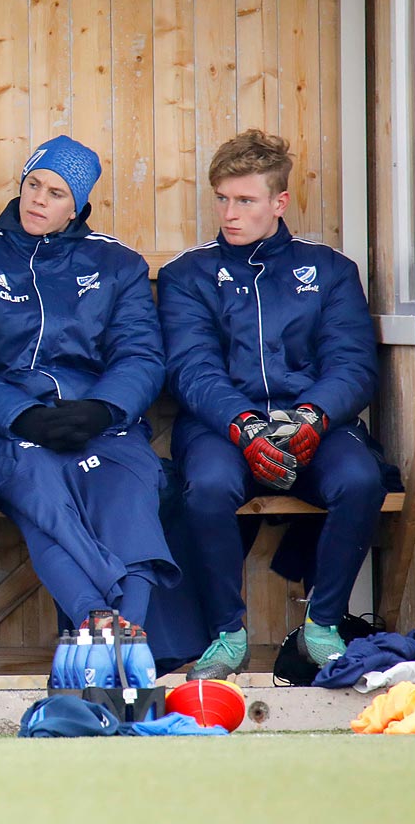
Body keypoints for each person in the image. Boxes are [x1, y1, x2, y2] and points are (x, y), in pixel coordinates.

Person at [161, 130, 384, 677]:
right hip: (220, 428)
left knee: (362, 480)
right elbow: (191, 369)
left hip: (315, 425)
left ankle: (323, 626)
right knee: (207, 488)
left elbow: (353, 364)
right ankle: (225, 635)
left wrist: (313, 416)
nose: (230, 213)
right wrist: (242, 425)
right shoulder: (186, 274)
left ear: (279, 202)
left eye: (245, 200)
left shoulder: (330, 269)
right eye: (222, 199)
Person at [0, 136, 174, 643]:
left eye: (56, 193)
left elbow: (140, 356)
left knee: (130, 491)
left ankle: (124, 627)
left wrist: (102, 410)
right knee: (41, 492)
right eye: (33, 185)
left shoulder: (117, 265)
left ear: (77, 208)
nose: (38, 200)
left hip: (100, 421)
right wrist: (22, 415)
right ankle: (99, 614)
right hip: (7, 428)